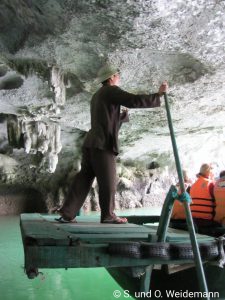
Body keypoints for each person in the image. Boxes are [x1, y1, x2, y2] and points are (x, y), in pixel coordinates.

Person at [56, 63, 168, 224]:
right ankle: (108, 215)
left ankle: (68, 212)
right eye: (117, 75)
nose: (119, 77)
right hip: (102, 144)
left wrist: (121, 116)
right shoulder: (111, 90)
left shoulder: (97, 95)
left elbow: (105, 119)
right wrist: (158, 96)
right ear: (112, 78)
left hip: (91, 143)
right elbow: (133, 100)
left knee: (84, 178)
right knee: (108, 180)